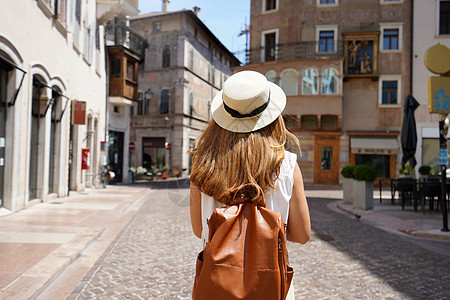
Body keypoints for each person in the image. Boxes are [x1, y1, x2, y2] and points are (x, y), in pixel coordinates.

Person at [189, 70, 311, 298]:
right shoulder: (287, 165)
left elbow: (199, 230)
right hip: (271, 287)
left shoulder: (202, 163)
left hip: (216, 285)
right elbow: (302, 234)